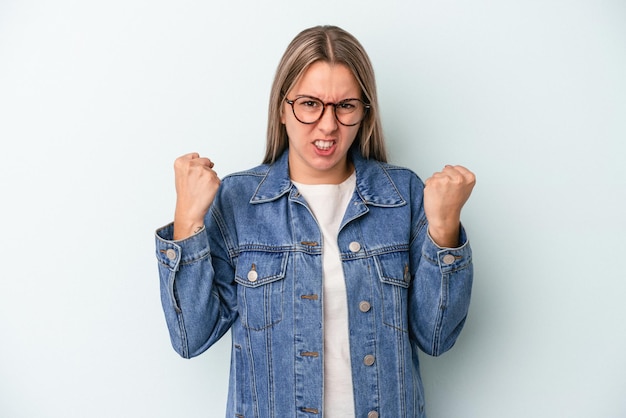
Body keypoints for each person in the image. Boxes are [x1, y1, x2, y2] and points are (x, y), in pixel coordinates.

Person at [155, 25, 475, 418]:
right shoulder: (238, 202)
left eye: (345, 106)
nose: (327, 125)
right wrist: (187, 221)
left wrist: (445, 231)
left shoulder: (404, 196)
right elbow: (191, 337)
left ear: (364, 113)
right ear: (282, 108)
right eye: (309, 103)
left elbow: (437, 337)